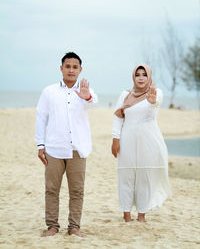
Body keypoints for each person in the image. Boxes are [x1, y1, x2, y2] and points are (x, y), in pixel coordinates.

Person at [35, 52, 98, 237]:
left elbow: (94, 103)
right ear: (61, 68)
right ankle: (52, 226)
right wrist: (40, 145)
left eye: (75, 67)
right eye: (67, 66)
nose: (71, 70)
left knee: (77, 191)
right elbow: (41, 118)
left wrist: (86, 96)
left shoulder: (86, 90)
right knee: (51, 189)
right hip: (54, 148)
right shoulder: (49, 92)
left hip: (78, 149)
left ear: (80, 70)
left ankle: (74, 228)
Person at [111, 63, 171, 223]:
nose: (141, 78)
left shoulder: (156, 92)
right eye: (138, 74)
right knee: (126, 175)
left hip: (149, 140)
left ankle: (142, 215)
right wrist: (115, 139)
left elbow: (155, 103)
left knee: (145, 176)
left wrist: (152, 101)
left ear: (149, 76)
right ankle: (126, 215)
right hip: (127, 139)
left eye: (144, 74)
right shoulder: (125, 94)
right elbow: (118, 117)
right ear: (133, 77)